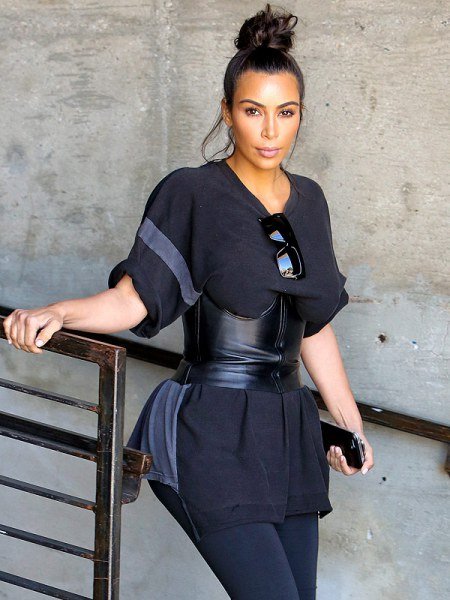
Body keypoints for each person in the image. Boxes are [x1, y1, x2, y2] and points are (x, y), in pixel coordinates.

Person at [4, 4, 374, 599]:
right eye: (253, 111)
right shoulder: (193, 192)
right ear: (226, 111)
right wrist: (59, 313)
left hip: (289, 436)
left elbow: (314, 325)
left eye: (285, 112)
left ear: (301, 115)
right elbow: (132, 300)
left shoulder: (312, 201)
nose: (270, 131)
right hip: (213, 430)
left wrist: (350, 428)